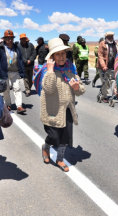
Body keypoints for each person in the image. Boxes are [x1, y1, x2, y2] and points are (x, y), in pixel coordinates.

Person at [40, 37, 85, 172]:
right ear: (52, 56)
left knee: (65, 138)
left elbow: (81, 90)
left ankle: (59, 159)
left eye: (63, 53)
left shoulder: (70, 69)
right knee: (54, 136)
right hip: (52, 111)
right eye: (58, 54)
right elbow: (49, 88)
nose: (61, 56)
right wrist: (50, 71)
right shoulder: (47, 70)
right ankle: (46, 147)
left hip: (67, 110)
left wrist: (77, 87)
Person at [0, 29, 26, 114]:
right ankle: (8, 105)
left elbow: (20, 60)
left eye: (11, 38)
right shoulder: (0, 49)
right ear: (4, 39)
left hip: (15, 72)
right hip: (4, 72)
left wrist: (22, 72)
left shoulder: (17, 48)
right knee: (6, 90)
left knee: (17, 88)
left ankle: (19, 106)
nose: (9, 40)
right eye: (7, 38)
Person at [97, 31, 118, 102]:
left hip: (113, 67)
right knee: (105, 82)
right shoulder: (102, 44)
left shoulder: (116, 44)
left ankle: (105, 92)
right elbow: (100, 56)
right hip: (103, 67)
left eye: (112, 36)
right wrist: (103, 66)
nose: (111, 38)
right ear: (106, 37)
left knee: (112, 82)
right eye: (109, 37)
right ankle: (105, 96)